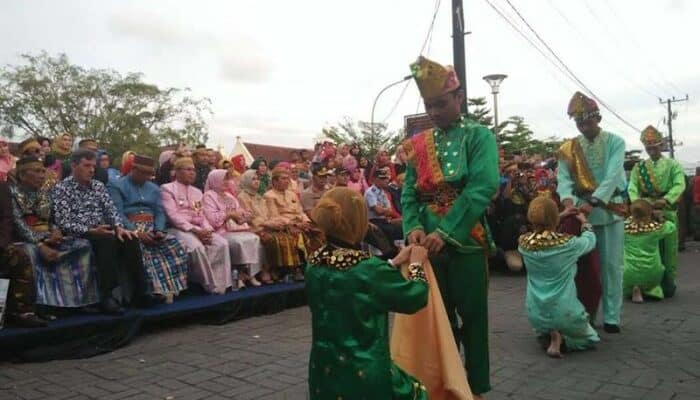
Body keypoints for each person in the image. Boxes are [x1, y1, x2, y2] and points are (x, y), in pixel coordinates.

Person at [401, 56, 497, 398]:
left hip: (466, 237)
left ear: (459, 98)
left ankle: (476, 389)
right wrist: (412, 226)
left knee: (472, 319)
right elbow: (409, 191)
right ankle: (443, 386)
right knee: (435, 322)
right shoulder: (417, 145)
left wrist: (446, 231)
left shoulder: (480, 136)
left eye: (441, 104)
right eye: (430, 106)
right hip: (425, 243)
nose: (436, 111)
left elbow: (483, 186)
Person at [306, 187, 429, 400]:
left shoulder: (314, 262)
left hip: (323, 373)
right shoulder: (369, 268)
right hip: (365, 375)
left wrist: (393, 263)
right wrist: (416, 265)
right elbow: (415, 297)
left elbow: (352, 284)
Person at [557, 91, 627, 334]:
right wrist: (569, 203)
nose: (583, 127)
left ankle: (612, 316)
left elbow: (613, 175)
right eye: (579, 123)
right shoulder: (568, 148)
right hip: (580, 214)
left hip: (609, 211)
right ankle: (584, 312)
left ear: (597, 118)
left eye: (587, 121)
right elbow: (563, 179)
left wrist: (594, 201)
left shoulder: (616, 142)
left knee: (611, 266)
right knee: (584, 268)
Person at [51, 149, 143, 314]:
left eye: (93, 166)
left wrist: (119, 227)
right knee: (106, 241)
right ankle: (106, 296)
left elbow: (111, 210)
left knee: (130, 238)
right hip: (78, 233)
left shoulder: (98, 186)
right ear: (73, 165)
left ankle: (140, 293)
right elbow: (63, 222)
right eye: (87, 165)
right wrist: (91, 230)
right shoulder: (61, 188)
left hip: (102, 229)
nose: (92, 170)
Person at [11, 156, 98, 309]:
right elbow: (19, 225)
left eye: (43, 171)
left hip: (48, 237)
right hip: (26, 240)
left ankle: (76, 302)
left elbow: (51, 219)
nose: (42, 175)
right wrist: (41, 242)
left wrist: (56, 231)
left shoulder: (44, 193)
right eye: (37, 171)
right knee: (30, 253)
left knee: (83, 245)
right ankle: (41, 305)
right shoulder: (11, 194)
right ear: (23, 175)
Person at [518, 196, 600, 358]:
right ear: (554, 218)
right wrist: (584, 222)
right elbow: (590, 240)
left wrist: (561, 215)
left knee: (544, 328)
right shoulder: (568, 245)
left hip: (536, 313)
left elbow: (538, 230)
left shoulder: (523, 243)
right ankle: (562, 340)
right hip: (566, 312)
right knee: (592, 338)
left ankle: (549, 335)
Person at [109, 155, 189, 303]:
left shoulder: (154, 188)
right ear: (133, 169)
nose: (147, 176)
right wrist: (137, 232)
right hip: (129, 228)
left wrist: (159, 230)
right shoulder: (116, 185)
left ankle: (168, 289)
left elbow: (159, 212)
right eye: (143, 173)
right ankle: (148, 292)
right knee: (141, 248)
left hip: (152, 227)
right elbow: (117, 214)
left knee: (178, 245)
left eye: (149, 173)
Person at [627, 125, 686, 298]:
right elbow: (632, 187)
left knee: (669, 249)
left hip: (666, 211)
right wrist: (638, 204)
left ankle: (667, 284)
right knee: (647, 251)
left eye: (654, 146)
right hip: (645, 214)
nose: (651, 150)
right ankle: (647, 285)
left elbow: (679, 184)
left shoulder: (673, 165)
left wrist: (666, 199)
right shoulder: (639, 168)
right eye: (648, 147)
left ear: (661, 145)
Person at [161, 157, 232, 294]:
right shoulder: (167, 189)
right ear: (177, 172)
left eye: (193, 170)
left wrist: (208, 231)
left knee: (221, 243)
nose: (192, 173)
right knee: (197, 248)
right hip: (177, 229)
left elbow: (202, 215)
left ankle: (222, 283)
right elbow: (173, 216)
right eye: (188, 169)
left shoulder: (197, 192)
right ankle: (206, 284)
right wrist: (194, 230)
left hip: (198, 228)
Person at [203, 169, 262, 289]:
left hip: (235, 228)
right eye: (223, 179)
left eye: (227, 179)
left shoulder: (229, 196)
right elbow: (212, 220)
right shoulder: (208, 196)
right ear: (215, 180)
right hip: (220, 230)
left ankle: (249, 273)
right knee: (240, 242)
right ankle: (239, 275)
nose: (226, 181)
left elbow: (239, 216)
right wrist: (229, 215)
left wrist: (247, 215)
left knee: (254, 238)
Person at [264, 165, 325, 280]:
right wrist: (295, 224)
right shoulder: (269, 196)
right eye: (283, 178)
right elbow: (274, 216)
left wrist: (306, 222)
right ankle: (296, 268)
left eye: (288, 178)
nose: (287, 181)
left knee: (319, 232)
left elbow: (300, 210)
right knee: (298, 235)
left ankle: (317, 265)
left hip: (299, 222)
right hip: (283, 226)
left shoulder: (291, 194)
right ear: (274, 181)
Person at [237, 170, 296, 283]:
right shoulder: (242, 197)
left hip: (265, 225)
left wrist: (276, 222)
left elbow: (268, 214)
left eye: (258, 179)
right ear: (246, 181)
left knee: (285, 235)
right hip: (252, 228)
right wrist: (267, 224)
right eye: (253, 179)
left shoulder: (259, 196)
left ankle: (279, 269)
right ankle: (264, 270)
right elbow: (249, 217)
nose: (257, 181)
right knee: (270, 238)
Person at [0, 181, 46, 327]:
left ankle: (23, 312)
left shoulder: (2, 188)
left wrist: (1, 244)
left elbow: (7, 220)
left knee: (19, 256)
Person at [623, 199, 677, 303]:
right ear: (650, 212)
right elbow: (672, 227)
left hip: (628, 273)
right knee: (658, 271)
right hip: (652, 273)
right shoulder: (655, 230)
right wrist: (660, 218)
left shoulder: (625, 228)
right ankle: (650, 289)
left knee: (626, 269)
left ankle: (634, 287)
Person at [366, 168, 403, 241]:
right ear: (375, 179)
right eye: (382, 178)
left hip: (384, 221)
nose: (386, 180)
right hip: (374, 222)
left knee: (401, 229)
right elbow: (378, 211)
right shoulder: (370, 192)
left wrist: (384, 210)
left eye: (386, 178)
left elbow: (390, 211)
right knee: (392, 231)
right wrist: (385, 210)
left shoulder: (383, 192)